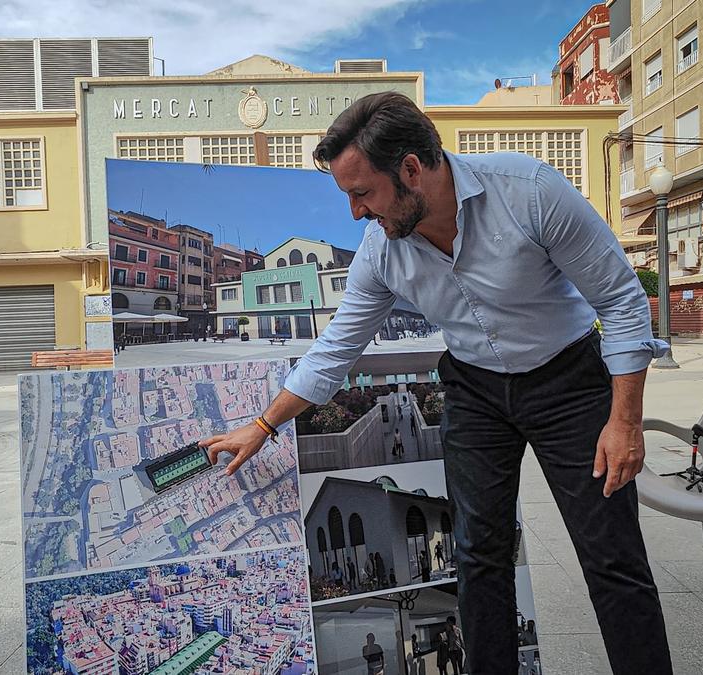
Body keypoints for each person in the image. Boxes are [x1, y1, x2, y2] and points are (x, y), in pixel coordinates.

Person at [199, 91, 672, 674]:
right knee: (478, 558)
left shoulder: (529, 191)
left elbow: (624, 302)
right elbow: (337, 348)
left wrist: (624, 420)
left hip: (570, 381)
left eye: (361, 193)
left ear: (411, 170)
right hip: (474, 390)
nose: (354, 214)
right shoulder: (381, 253)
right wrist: (265, 424)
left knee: (611, 558)